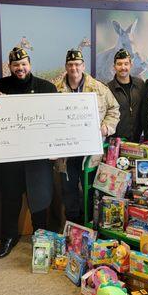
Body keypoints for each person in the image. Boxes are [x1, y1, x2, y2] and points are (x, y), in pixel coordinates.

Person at [0, 47, 57, 258]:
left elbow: (56, 121)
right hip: (11, 158)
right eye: (16, 65)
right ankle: (9, 236)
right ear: (10, 67)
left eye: (24, 64)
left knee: (40, 199)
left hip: (38, 158)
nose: (20, 68)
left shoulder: (47, 87)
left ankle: (41, 236)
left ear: (30, 64)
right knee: (10, 198)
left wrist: (56, 148)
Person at [55, 49, 120, 224]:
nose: (74, 68)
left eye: (77, 64)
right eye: (70, 64)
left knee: (90, 189)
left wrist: (107, 127)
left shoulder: (99, 88)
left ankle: (90, 224)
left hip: (91, 152)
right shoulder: (55, 90)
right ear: (66, 67)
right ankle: (72, 226)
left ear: (83, 66)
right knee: (69, 190)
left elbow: (114, 109)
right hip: (66, 153)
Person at [107, 48, 145, 142]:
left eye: (126, 63)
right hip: (116, 142)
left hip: (137, 140)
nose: (123, 67)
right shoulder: (107, 89)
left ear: (131, 65)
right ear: (114, 67)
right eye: (119, 64)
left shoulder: (140, 84)